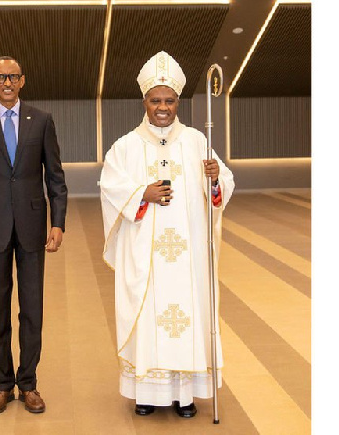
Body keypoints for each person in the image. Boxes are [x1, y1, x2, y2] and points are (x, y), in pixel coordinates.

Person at [99, 51, 234, 418]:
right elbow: (109, 186)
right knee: (148, 319)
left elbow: (224, 185)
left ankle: (184, 395)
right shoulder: (125, 147)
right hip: (146, 259)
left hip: (188, 258)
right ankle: (146, 392)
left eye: (169, 100)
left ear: (177, 102)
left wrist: (214, 180)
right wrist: (142, 193)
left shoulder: (195, 141)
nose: (163, 107)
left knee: (186, 317)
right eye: (156, 100)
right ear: (145, 101)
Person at [0, 56, 67, 416]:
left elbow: (55, 177)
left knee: (32, 309)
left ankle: (29, 383)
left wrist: (58, 222)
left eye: (13, 77)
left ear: (23, 81)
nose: (7, 82)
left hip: (34, 227)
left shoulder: (42, 121)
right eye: (1, 77)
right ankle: (2, 386)